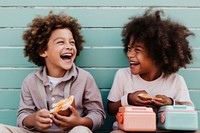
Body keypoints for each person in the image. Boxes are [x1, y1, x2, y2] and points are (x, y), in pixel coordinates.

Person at [0, 12, 105, 133]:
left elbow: (98, 114)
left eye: (72, 42)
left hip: (72, 131)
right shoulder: (30, 81)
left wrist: (79, 122)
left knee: (81, 130)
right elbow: (22, 116)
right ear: (43, 51)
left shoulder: (84, 78)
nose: (69, 46)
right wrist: (33, 119)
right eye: (61, 42)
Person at [107, 9, 194, 133]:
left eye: (137, 50)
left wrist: (170, 103)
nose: (129, 54)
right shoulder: (123, 75)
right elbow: (110, 109)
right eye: (129, 48)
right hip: (128, 130)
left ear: (156, 55)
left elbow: (188, 111)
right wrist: (129, 99)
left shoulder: (175, 81)